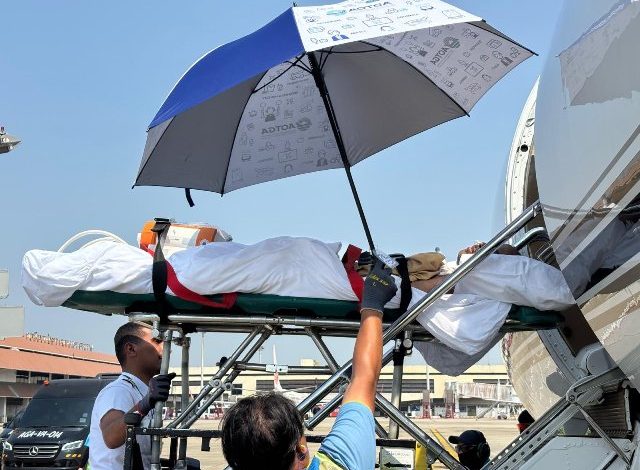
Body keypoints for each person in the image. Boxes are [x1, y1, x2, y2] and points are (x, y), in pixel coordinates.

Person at [221, 258, 398, 470]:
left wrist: (372, 306)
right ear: (301, 451)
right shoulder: (339, 465)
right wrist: (373, 303)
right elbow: (363, 379)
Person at [89, 322, 176, 470]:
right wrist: (144, 405)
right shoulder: (118, 391)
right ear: (131, 349)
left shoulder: (140, 391)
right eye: (157, 341)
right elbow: (111, 437)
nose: (168, 349)